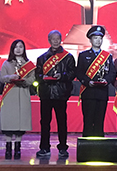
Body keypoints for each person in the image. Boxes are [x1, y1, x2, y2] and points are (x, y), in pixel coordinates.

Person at [35, 30, 76, 159]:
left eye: (58, 39)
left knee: (61, 122)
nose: (56, 41)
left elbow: (72, 73)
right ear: (49, 40)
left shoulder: (68, 57)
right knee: (45, 122)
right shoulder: (42, 58)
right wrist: (43, 77)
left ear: (61, 40)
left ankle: (63, 148)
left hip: (61, 94)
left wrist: (62, 76)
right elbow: (37, 75)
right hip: (46, 94)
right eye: (53, 39)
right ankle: (44, 147)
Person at [76, 25, 116, 137]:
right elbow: (79, 73)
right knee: (88, 121)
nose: (98, 40)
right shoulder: (83, 55)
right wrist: (87, 82)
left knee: (99, 121)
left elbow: (112, 73)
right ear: (90, 40)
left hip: (102, 93)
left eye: (100, 38)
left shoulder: (107, 56)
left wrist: (106, 80)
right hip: (88, 93)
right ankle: (87, 145)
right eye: (95, 38)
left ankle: (99, 145)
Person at [0, 39, 35, 160]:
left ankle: (18, 147)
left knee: (21, 122)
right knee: (9, 122)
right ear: (12, 49)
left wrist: (24, 81)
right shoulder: (6, 63)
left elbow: (32, 79)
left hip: (23, 93)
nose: (18, 49)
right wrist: (11, 77)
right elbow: (1, 78)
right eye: (16, 47)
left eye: (21, 47)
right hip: (10, 94)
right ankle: (8, 147)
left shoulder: (29, 64)